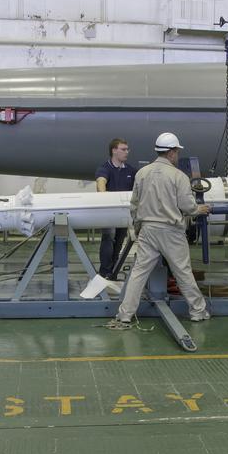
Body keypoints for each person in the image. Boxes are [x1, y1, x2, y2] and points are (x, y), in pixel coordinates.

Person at [111, 131, 210, 328]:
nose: (177, 155)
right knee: (182, 272)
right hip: (171, 231)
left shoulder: (142, 173)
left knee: (139, 272)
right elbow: (187, 206)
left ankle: (125, 314)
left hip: (147, 229)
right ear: (171, 152)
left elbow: (134, 205)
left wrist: (138, 227)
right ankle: (198, 311)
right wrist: (200, 209)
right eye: (177, 152)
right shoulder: (179, 176)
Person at [95, 138, 137, 279]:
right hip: (109, 213)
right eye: (123, 149)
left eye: (127, 149)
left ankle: (113, 270)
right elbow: (101, 182)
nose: (127, 152)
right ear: (114, 150)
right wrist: (103, 195)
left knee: (119, 241)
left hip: (124, 213)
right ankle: (105, 271)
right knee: (108, 238)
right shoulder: (105, 168)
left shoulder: (130, 170)